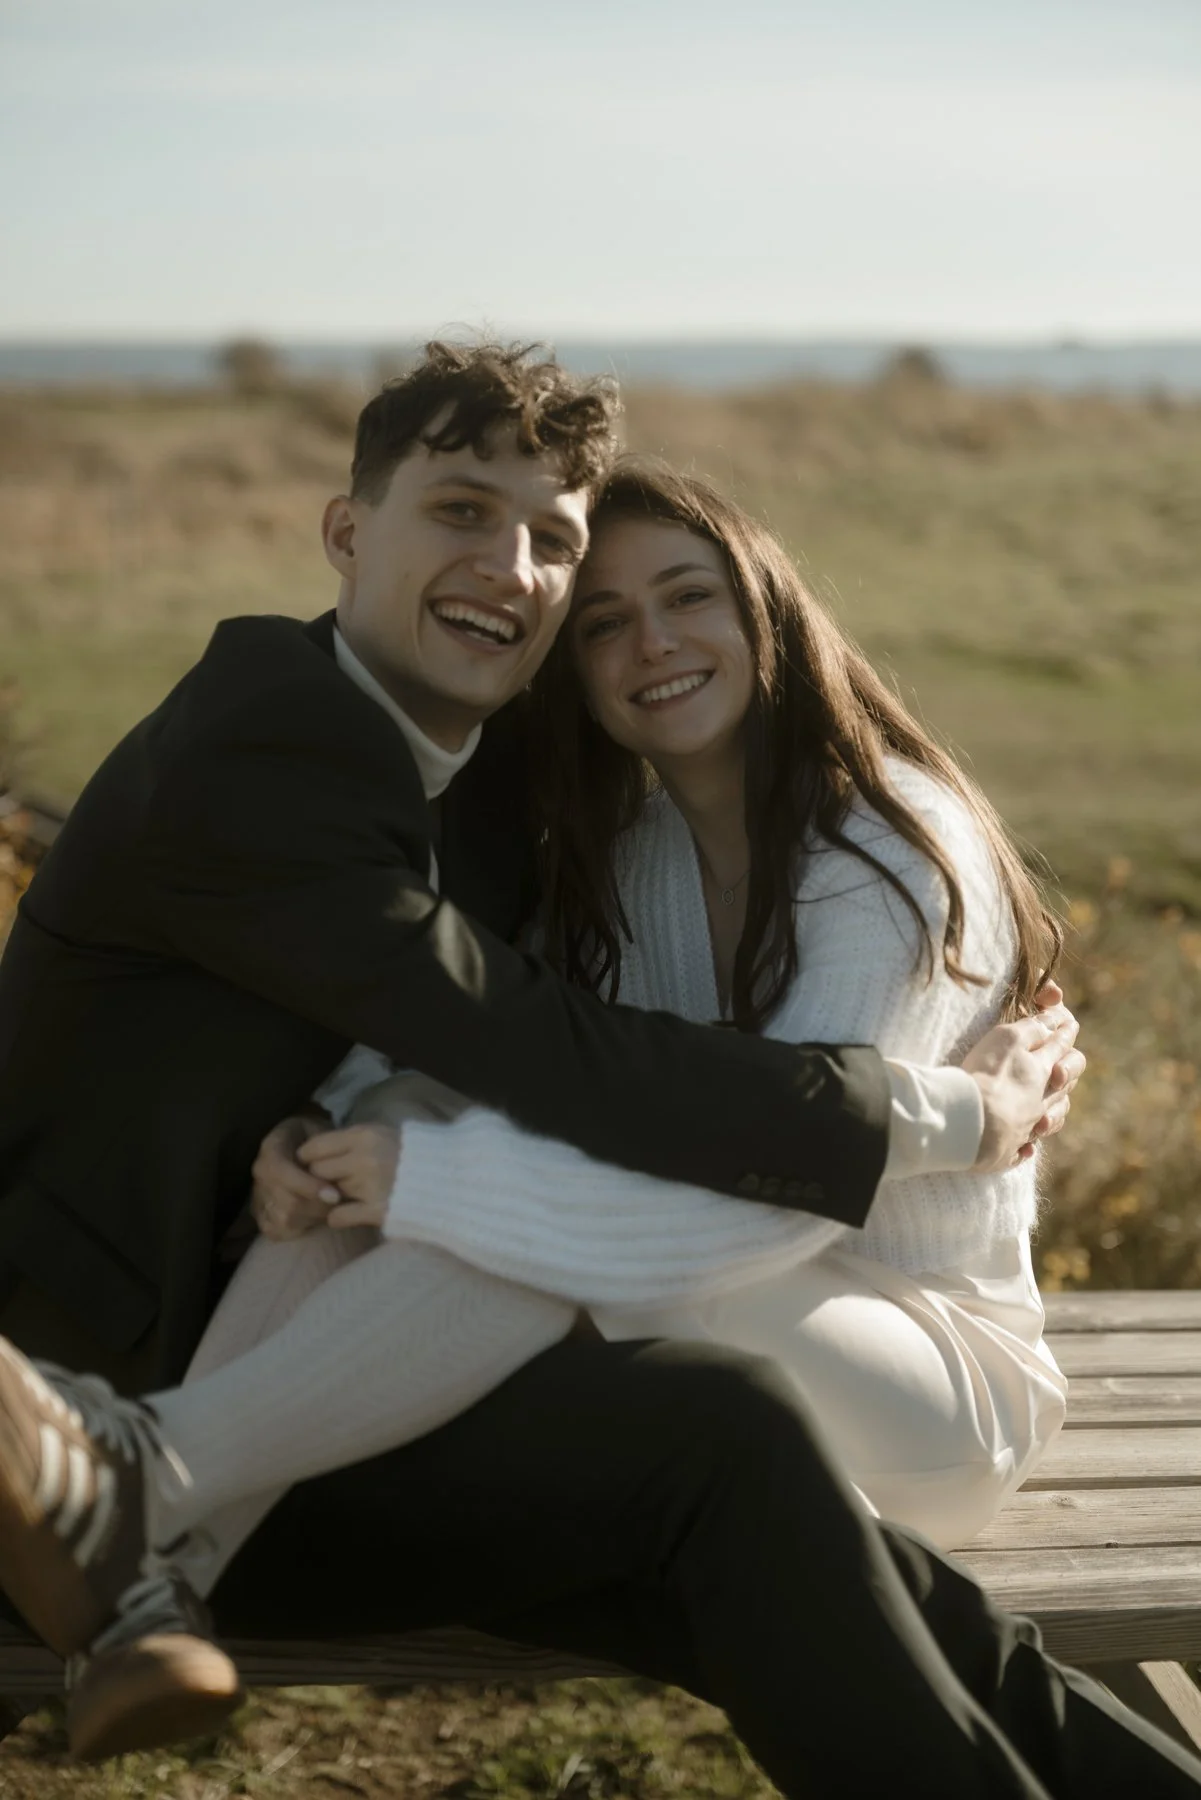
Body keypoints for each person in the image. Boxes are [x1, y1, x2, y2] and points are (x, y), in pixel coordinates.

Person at [0, 345, 1145, 1796]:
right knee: (722, 1451)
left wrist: (363, 1137)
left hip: (307, 1362)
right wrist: (951, 1114)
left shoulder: (496, 787)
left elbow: (505, 1069)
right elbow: (526, 1053)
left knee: (710, 1433)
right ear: (348, 532)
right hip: (74, 1385)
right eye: (464, 512)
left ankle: (151, 1510)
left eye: (553, 539)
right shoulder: (268, 744)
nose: (519, 570)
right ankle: (129, 1523)